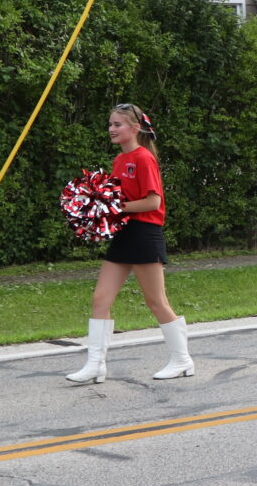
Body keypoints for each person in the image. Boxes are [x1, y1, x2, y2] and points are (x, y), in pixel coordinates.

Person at [62, 104, 193, 385]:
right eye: (110, 124)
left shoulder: (143, 158)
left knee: (156, 301)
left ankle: (182, 360)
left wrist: (115, 208)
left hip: (145, 231)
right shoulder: (119, 161)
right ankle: (96, 365)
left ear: (135, 128)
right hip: (124, 231)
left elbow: (153, 202)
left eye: (117, 124)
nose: (111, 128)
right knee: (100, 298)